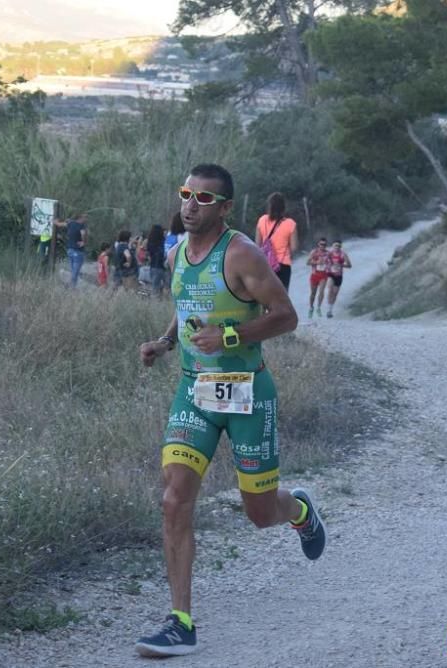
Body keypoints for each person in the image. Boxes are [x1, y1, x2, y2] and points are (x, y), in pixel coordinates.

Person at [135, 163, 327, 658]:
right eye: (185, 194)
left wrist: (232, 336)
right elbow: (187, 306)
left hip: (246, 393)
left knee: (259, 513)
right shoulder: (178, 253)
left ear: (224, 208)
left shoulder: (241, 254)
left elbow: (286, 316)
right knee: (174, 497)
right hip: (194, 391)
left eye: (203, 199)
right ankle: (181, 622)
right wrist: (163, 342)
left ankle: (299, 508)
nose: (189, 205)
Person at [254, 192, 299, 289]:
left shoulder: (262, 220)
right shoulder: (290, 223)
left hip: (265, 264)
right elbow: (294, 247)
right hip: (283, 266)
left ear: (269, 206)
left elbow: (257, 245)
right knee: (281, 298)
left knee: (265, 295)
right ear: (283, 207)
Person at [324, 240, 352, 318]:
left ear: (341, 247)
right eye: (335, 245)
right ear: (332, 246)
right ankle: (328, 311)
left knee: (335, 293)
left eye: (338, 246)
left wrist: (341, 265)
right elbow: (324, 262)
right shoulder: (329, 254)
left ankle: (330, 310)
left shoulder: (343, 255)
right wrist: (328, 264)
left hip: (339, 276)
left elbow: (349, 265)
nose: (337, 247)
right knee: (330, 290)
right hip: (330, 274)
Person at [306, 237, 331, 318]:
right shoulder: (314, 252)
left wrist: (328, 265)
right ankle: (311, 308)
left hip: (323, 275)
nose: (322, 246)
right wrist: (317, 262)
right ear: (318, 244)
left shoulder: (328, 253)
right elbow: (307, 262)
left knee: (321, 291)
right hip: (314, 274)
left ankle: (319, 308)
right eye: (321, 244)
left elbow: (331, 263)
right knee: (313, 293)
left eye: (324, 245)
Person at [65, 213, 88, 288]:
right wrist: (84, 242)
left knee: (73, 270)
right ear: (80, 218)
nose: (86, 219)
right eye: (85, 217)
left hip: (70, 250)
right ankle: (71, 286)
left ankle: (72, 287)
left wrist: (55, 222)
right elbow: (83, 233)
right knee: (75, 271)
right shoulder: (81, 226)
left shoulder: (71, 223)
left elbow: (61, 224)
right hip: (77, 251)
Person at [146, 224, 167, 297]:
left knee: (155, 288)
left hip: (153, 267)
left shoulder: (150, 242)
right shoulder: (163, 242)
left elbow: (148, 254)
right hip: (162, 267)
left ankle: (155, 304)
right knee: (167, 287)